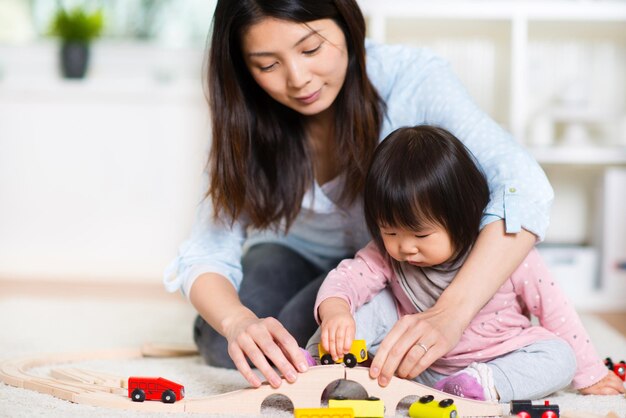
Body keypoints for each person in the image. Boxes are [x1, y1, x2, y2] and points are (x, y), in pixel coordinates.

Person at [163, 0, 554, 389]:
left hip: (400, 262)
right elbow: (206, 251)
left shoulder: (411, 78)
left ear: (347, 24)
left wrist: (452, 312)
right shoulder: (244, 113)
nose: (298, 78)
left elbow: (523, 184)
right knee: (224, 343)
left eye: (311, 49)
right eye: (267, 64)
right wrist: (237, 323)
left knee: (306, 333)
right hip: (299, 253)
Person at [308, 125, 625, 401]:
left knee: (560, 357)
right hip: (413, 365)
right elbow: (348, 277)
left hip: (496, 358)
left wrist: (592, 373)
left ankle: (482, 387)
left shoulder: (508, 254)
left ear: (463, 215)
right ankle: (318, 363)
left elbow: (556, 312)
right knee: (370, 305)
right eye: (389, 230)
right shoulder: (387, 254)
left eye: (420, 234)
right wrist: (336, 310)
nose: (404, 246)